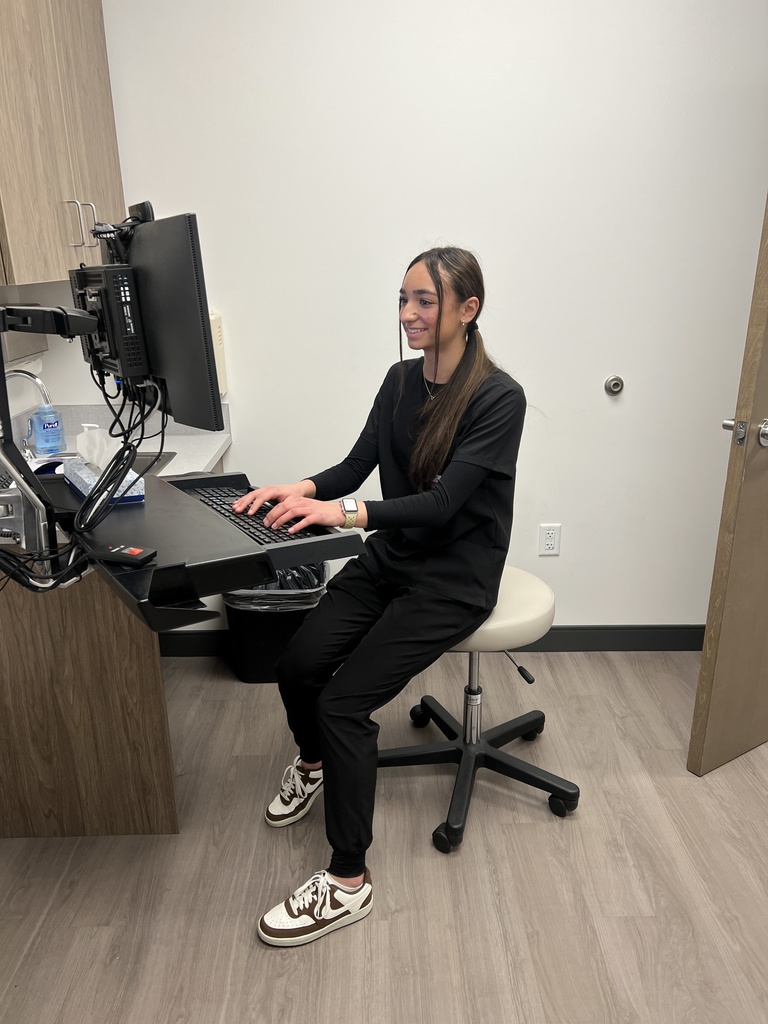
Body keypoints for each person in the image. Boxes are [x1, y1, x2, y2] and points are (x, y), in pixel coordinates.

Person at [233, 247, 526, 947]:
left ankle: (347, 881)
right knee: (298, 664)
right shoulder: (400, 379)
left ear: (467, 309)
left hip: (454, 578)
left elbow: (445, 500)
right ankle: (313, 763)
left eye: (425, 300)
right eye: (402, 299)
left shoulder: (497, 397)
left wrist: (350, 516)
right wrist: (301, 489)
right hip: (393, 557)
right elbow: (357, 463)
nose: (408, 314)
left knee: (343, 702)